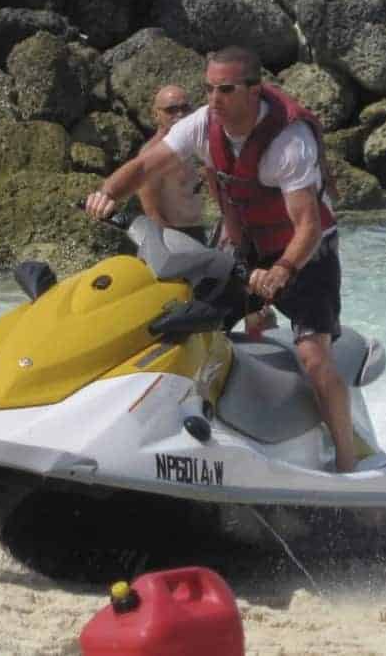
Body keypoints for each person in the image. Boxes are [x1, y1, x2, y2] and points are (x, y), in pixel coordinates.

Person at [84, 46, 356, 473]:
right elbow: (143, 167)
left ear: (253, 90)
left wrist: (281, 270)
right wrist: (108, 193)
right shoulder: (202, 125)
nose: (214, 100)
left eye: (226, 90)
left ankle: (347, 462)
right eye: (209, 89)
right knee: (185, 323)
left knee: (314, 359)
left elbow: (307, 227)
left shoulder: (289, 141)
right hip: (245, 247)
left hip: (305, 254)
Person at [136, 85, 209, 244]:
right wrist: (174, 244)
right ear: (156, 114)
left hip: (199, 231)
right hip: (175, 236)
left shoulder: (191, 143)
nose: (180, 114)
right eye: (171, 110)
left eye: (185, 108)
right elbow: (151, 211)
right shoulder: (151, 155)